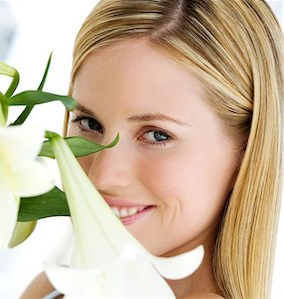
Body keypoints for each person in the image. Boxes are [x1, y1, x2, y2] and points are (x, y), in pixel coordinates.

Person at [22, 0, 283, 298]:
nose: (102, 177)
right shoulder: (53, 287)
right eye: (90, 123)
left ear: (246, 151)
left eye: (158, 135)